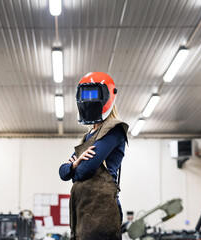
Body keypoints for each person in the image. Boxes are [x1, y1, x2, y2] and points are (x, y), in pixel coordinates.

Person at [59, 72, 128, 240]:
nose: (89, 101)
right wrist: (74, 165)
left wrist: (75, 167)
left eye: (93, 95)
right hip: (83, 213)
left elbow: (86, 169)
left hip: (102, 215)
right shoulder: (88, 136)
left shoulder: (114, 129)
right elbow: (63, 173)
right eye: (85, 95)